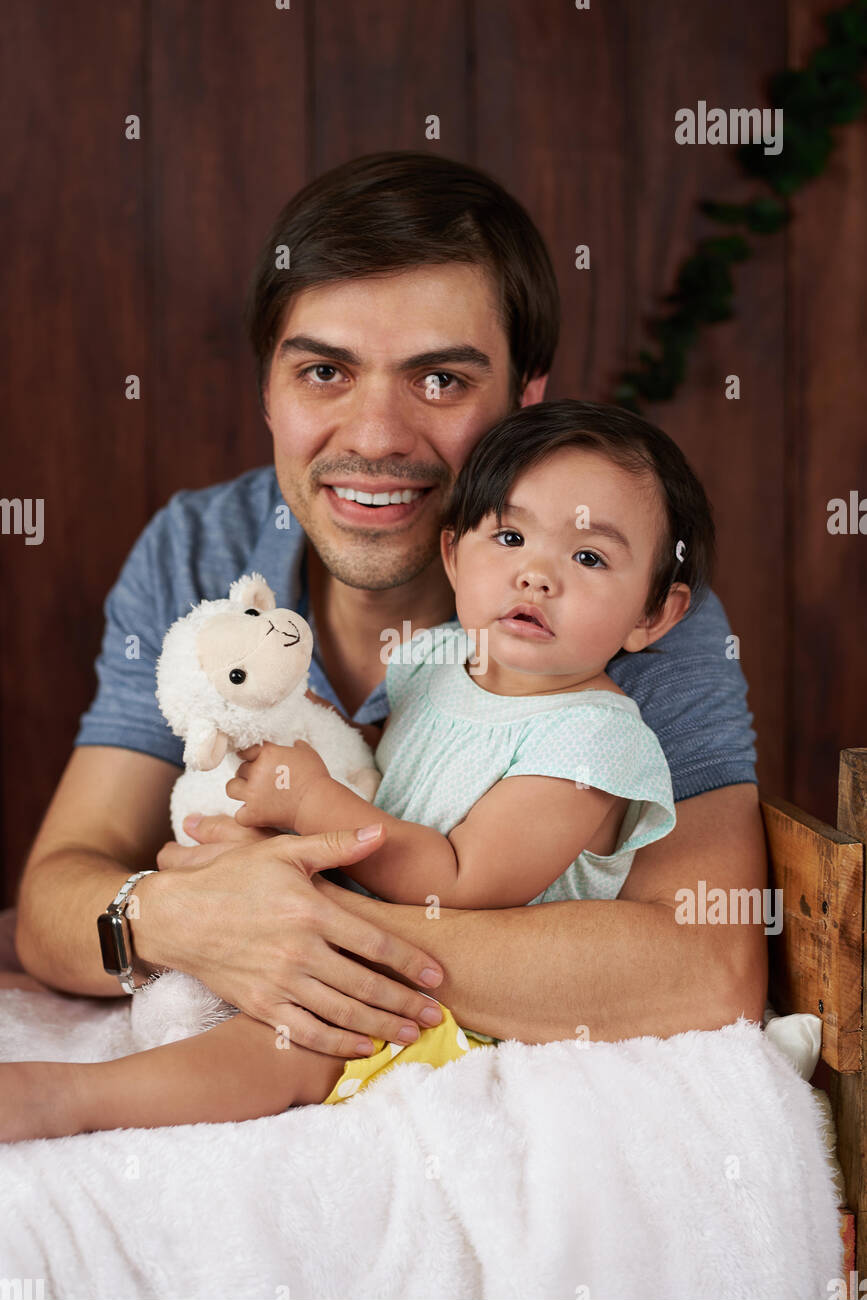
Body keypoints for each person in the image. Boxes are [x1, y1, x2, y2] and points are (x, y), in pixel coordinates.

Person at [11, 151, 767, 1085]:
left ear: (525, 398)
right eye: (324, 371)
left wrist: (288, 923)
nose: (374, 438)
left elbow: (707, 967)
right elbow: (55, 902)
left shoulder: (609, 602)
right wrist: (181, 918)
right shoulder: (201, 550)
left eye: (440, 380)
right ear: (268, 390)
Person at [1, 399, 712, 1136]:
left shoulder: (590, 741)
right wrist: (305, 732)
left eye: (588, 557)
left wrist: (313, 805)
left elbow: (459, 880)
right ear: (453, 556)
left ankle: (69, 1099)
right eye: (508, 536)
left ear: (653, 615)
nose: (536, 576)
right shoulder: (439, 659)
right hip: (377, 934)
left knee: (294, 1047)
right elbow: (385, 770)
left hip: (472, 1008)